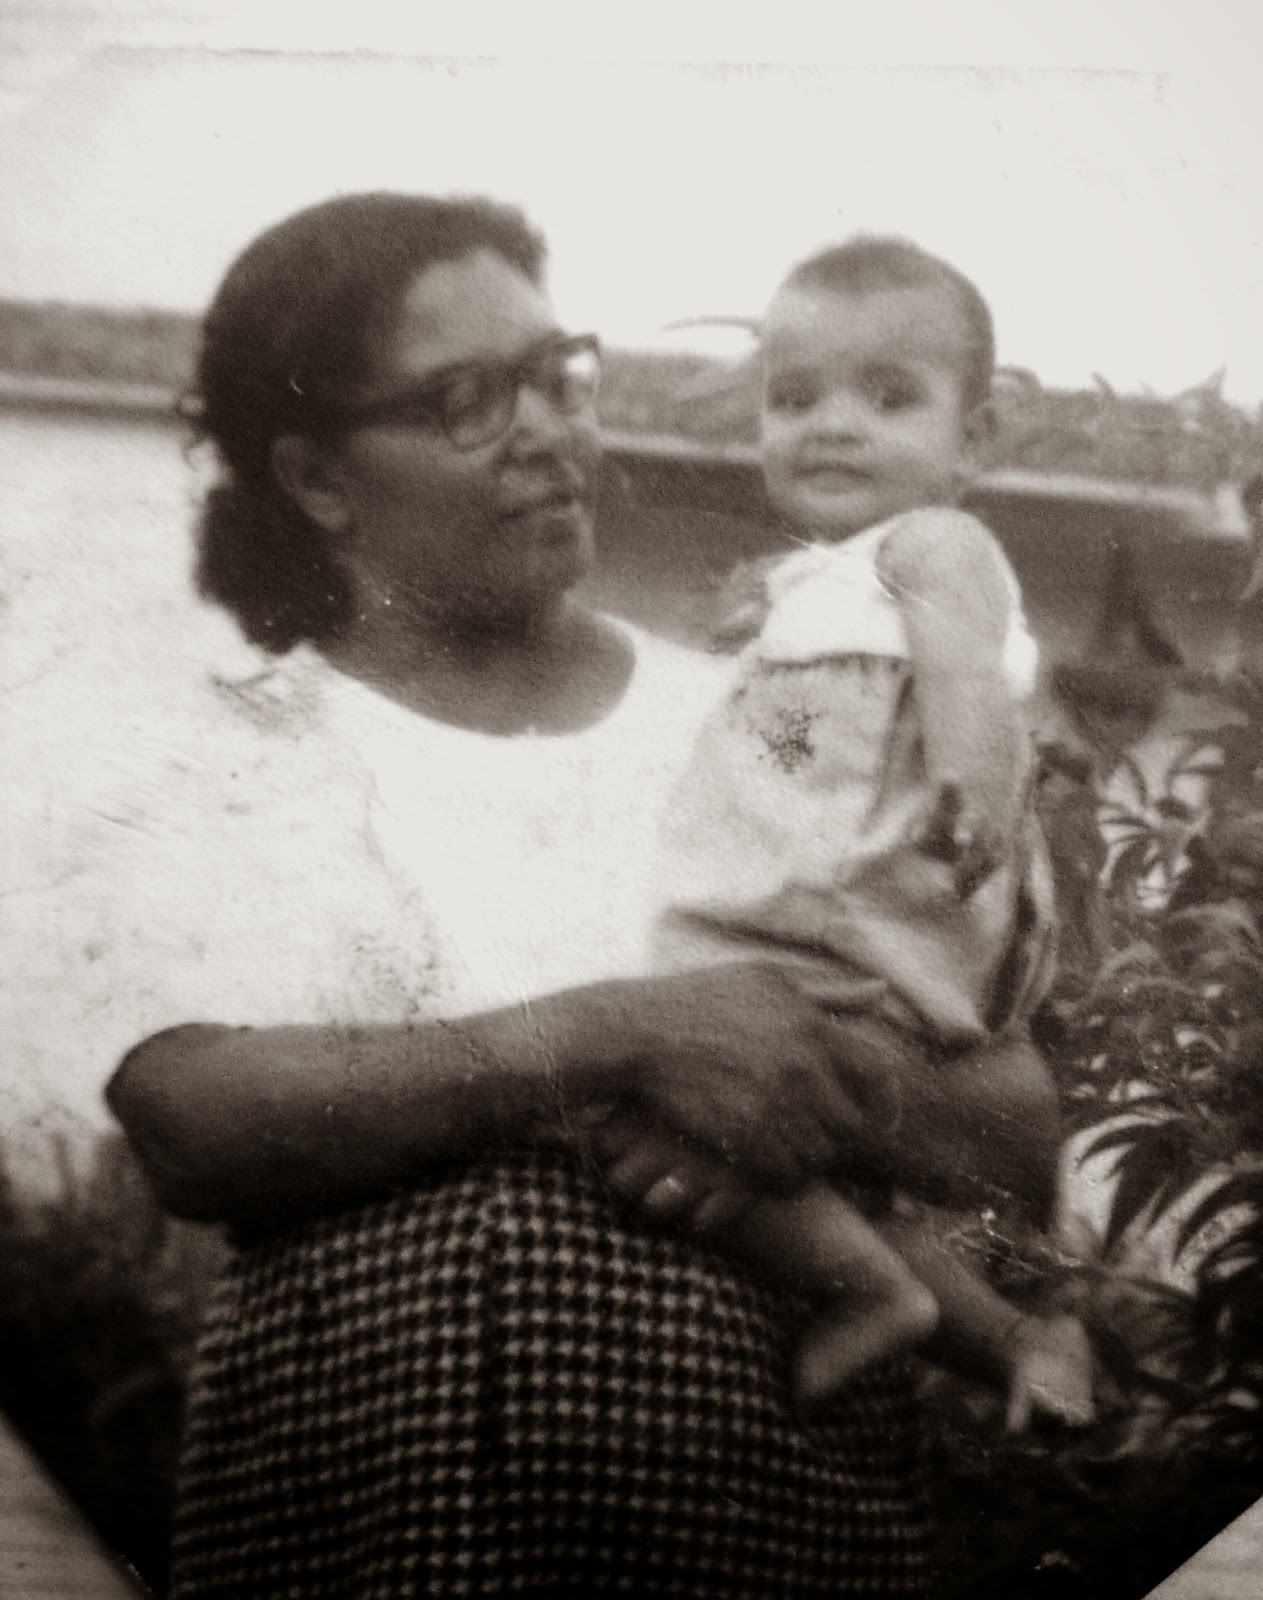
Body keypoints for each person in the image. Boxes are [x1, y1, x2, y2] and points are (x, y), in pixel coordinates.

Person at [106, 193, 1062, 1599]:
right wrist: (610, 1040)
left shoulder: (771, 721)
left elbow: (1012, 1127)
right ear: (317, 479)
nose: (548, 430)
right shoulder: (235, 757)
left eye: (557, 374)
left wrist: (804, 1076)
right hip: (374, 1506)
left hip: (771, 1499)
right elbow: (191, 1121)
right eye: (468, 400)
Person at [643, 237, 1095, 1424]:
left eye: (889, 398)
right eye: (795, 398)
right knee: (796, 1156)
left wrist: (972, 785)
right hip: (823, 926)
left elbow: (967, 675)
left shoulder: (933, 544)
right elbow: (789, 756)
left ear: (972, 441)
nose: (833, 425)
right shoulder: (807, 583)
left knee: (651, 1082)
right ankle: (1004, 1334)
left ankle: (876, 1293)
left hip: (841, 926)